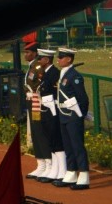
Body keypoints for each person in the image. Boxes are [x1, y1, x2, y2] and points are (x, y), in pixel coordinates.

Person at [53, 48, 90, 190]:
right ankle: (71, 172)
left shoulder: (74, 76)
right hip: (63, 114)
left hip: (73, 115)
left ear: (69, 59)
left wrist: (81, 114)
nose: (58, 59)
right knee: (68, 145)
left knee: (77, 145)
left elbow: (83, 98)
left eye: (61, 57)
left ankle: (84, 175)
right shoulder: (64, 74)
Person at [35, 48, 66, 184]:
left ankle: (62, 171)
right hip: (46, 109)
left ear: (47, 60)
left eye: (40, 58)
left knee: (56, 139)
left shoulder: (54, 74)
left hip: (53, 110)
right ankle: (56, 169)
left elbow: (56, 93)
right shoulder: (45, 73)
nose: (38, 61)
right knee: (51, 140)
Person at [23, 42, 51, 179]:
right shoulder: (32, 66)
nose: (25, 55)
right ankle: (41, 163)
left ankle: (48, 163)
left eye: (28, 52)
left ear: (35, 53)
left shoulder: (38, 66)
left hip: (37, 101)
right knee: (35, 132)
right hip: (31, 100)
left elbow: (39, 84)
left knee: (40, 132)